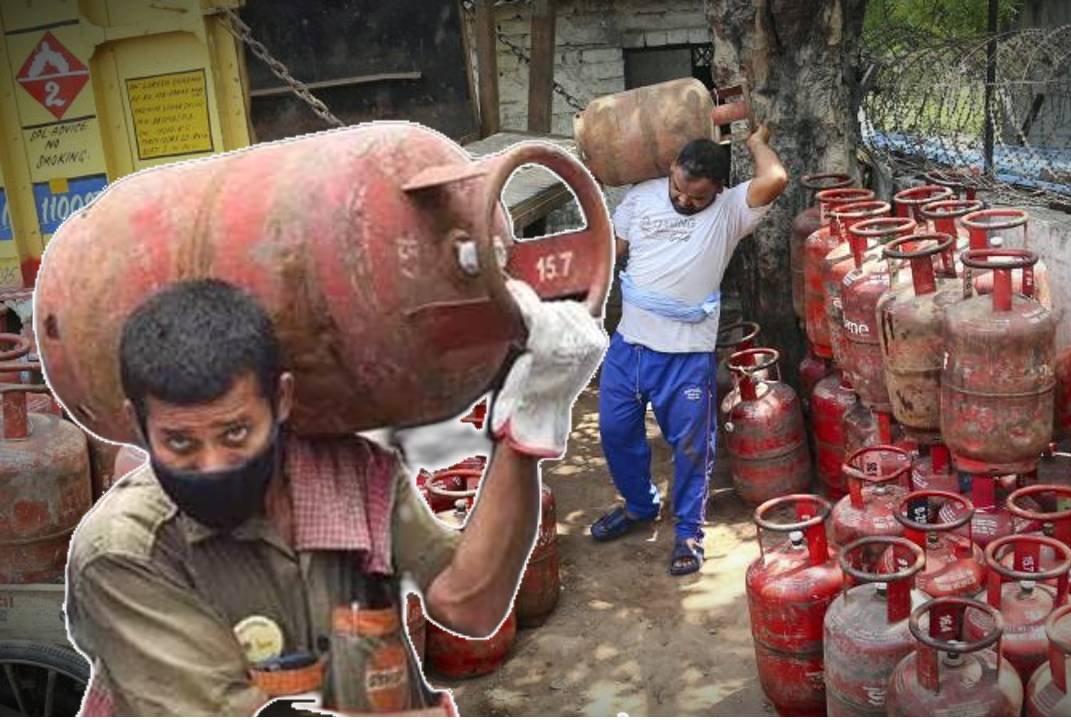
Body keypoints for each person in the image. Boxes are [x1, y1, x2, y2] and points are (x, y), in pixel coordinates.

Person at [64, 278, 605, 715]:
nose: (212, 466)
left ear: (281, 400)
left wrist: (532, 422)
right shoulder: (124, 550)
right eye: (179, 443)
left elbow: (471, 604)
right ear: (139, 426)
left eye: (235, 434)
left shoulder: (348, 475)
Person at [590, 124, 787, 575]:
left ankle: (688, 533)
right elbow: (612, 251)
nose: (683, 201)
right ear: (671, 173)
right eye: (678, 189)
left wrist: (755, 142)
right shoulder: (642, 196)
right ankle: (640, 506)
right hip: (631, 345)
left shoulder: (731, 211)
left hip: (687, 354)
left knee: (692, 448)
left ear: (719, 190)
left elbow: (775, 178)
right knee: (615, 432)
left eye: (696, 197)